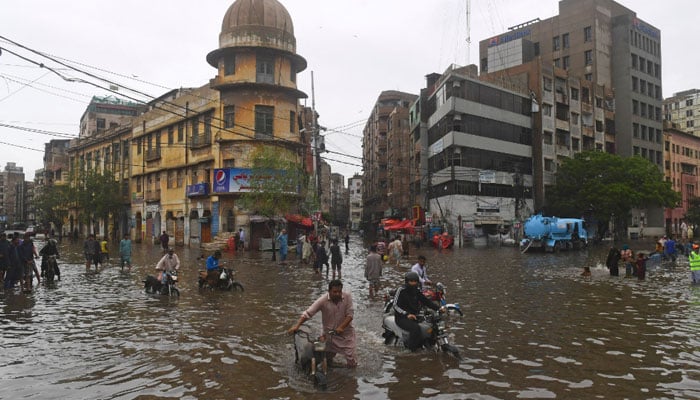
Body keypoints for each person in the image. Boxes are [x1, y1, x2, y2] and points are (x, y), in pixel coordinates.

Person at [287, 280, 357, 368]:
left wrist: (341, 327)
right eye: (334, 292)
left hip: (346, 334)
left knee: (351, 360)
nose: (337, 294)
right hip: (329, 334)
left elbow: (350, 315)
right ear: (329, 291)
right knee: (326, 357)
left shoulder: (347, 297)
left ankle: (350, 379)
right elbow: (308, 313)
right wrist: (297, 326)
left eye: (339, 291)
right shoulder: (322, 301)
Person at [393, 271, 444, 351]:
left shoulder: (416, 291)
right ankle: (412, 350)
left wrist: (438, 308)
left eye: (415, 281)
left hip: (414, 316)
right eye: (411, 281)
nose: (413, 283)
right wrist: (406, 314)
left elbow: (426, 301)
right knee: (415, 329)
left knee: (429, 325)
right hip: (401, 318)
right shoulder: (401, 290)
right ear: (407, 281)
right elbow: (395, 305)